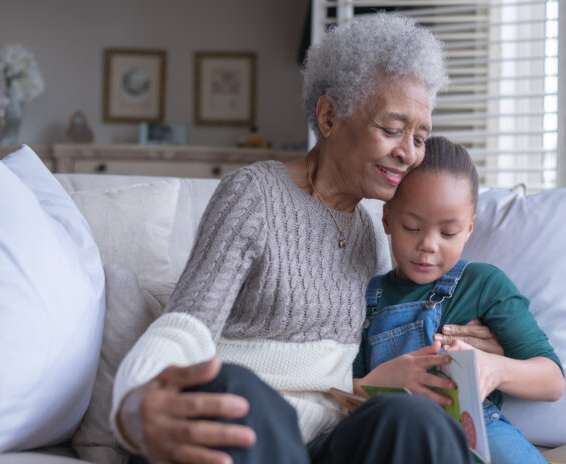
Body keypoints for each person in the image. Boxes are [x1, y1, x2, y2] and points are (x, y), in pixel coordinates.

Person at [112, 14, 502, 464]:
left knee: (413, 420)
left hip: (322, 443)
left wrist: (474, 340)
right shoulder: (256, 195)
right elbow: (183, 328)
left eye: (419, 136)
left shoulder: (371, 234)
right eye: (393, 130)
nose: (409, 153)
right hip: (239, 431)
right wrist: (134, 409)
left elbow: (387, 333)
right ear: (330, 116)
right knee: (242, 391)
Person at [354, 136, 566, 463]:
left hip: (477, 430)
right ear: (387, 220)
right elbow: (346, 390)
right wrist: (374, 383)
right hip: (397, 435)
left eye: (448, 233)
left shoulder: (483, 284)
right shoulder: (368, 297)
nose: (428, 245)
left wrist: (494, 369)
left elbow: (551, 381)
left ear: (468, 229)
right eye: (411, 227)